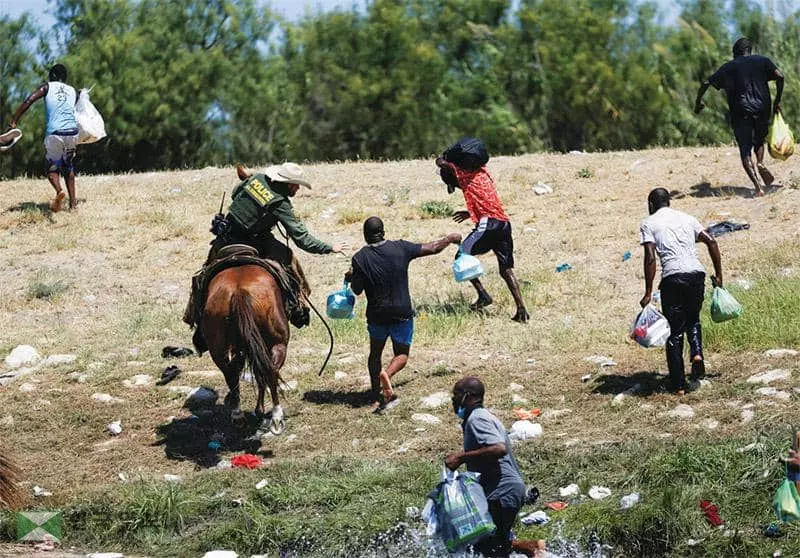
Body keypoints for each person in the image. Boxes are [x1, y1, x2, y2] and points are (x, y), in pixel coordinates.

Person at [184, 163, 347, 346]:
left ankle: (196, 316)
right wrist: (329, 247)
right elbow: (302, 238)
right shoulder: (280, 203)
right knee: (288, 257)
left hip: (227, 236)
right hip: (256, 241)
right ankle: (298, 306)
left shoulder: (255, 179)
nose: (298, 188)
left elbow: (235, 194)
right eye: (295, 184)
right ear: (287, 184)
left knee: (205, 274)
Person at [346, 216, 461, 409]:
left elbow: (357, 290)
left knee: (375, 354)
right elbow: (432, 248)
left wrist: (352, 276)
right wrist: (449, 238)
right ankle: (388, 375)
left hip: (376, 315)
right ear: (383, 232)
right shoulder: (400, 248)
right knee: (401, 354)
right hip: (402, 312)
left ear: (365, 235)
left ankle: (375, 395)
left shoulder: (359, 257)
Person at [444, 376, 544, 557]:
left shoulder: (477, 418)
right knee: (487, 543)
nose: (453, 399)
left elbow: (499, 448)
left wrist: (462, 457)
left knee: (490, 547)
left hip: (502, 492)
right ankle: (531, 548)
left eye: (457, 394)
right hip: (501, 491)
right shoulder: (480, 417)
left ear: (468, 396)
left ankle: (533, 549)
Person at [639, 188, 723, 395]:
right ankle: (697, 355)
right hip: (696, 274)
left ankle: (678, 385)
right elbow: (711, 241)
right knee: (693, 318)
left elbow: (650, 258)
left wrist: (648, 291)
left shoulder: (649, 223)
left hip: (673, 278)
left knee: (674, 332)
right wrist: (719, 274)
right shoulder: (688, 218)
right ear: (669, 201)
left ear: (651, 205)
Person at [435, 153, 529, 322]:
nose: (456, 186)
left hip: (489, 224)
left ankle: (483, 295)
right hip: (504, 224)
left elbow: (445, 165)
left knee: (461, 256)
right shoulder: (483, 173)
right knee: (505, 269)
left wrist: (440, 159)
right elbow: (485, 201)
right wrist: (470, 213)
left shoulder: (463, 176)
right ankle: (521, 309)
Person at [694, 37, 784, 196]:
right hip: (763, 107)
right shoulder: (763, 61)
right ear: (750, 50)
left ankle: (758, 187)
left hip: (741, 110)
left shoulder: (730, 66)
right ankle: (761, 163)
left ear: (736, 52)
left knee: (745, 147)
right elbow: (780, 76)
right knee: (759, 140)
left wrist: (698, 102)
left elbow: (707, 83)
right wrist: (777, 101)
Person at [9, 63, 81, 211]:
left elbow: (29, 101)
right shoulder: (73, 91)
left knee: (52, 168)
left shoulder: (47, 87)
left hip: (55, 133)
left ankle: (59, 191)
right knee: (69, 166)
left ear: (53, 76)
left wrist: (14, 120)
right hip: (72, 132)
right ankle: (73, 205)